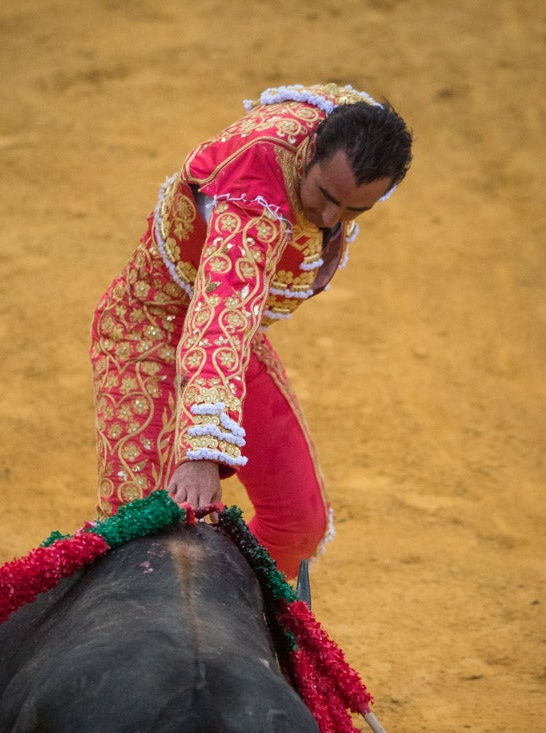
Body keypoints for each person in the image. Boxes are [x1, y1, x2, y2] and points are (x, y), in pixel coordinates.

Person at [90, 82, 413, 577]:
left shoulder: (346, 125)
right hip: (150, 330)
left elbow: (231, 320)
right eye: (326, 197)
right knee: (140, 546)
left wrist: (333, 222)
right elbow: (220, 312)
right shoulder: (255, 190)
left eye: (354, 210)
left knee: (297, 525)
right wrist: (200, 449)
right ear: (308, 153)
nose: (330, 218)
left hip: (236, 340)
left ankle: (232, 618)